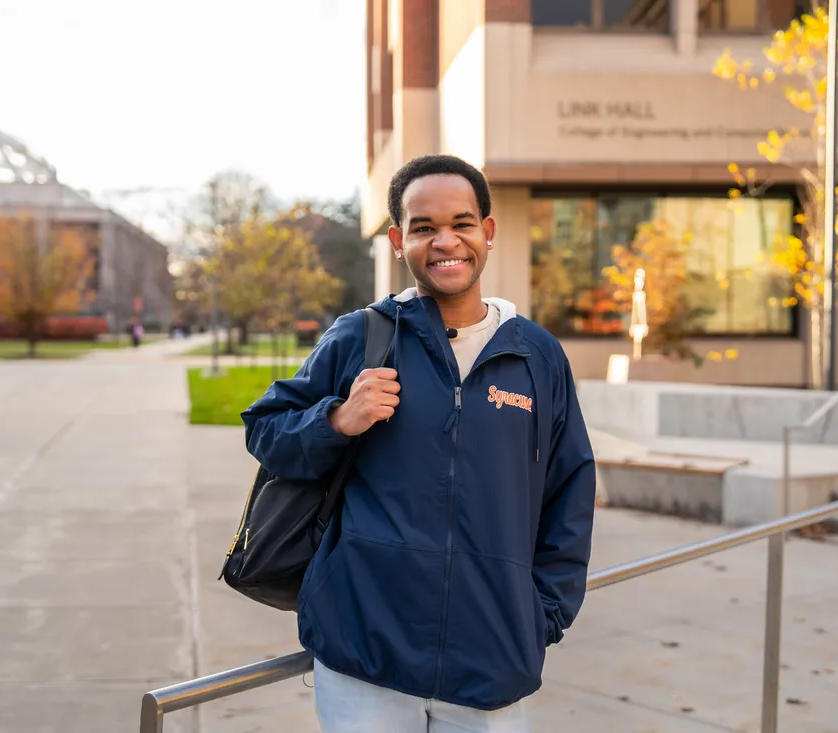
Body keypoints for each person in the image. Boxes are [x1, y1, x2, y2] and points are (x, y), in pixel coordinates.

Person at [241, 154, 596, 732]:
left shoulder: (537, 355)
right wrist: (337, 420)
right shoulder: (361, 336)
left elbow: (570, 492)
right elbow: (266, 429)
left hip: (492, 660)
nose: (445, 241)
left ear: (488, 231)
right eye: (424, 227)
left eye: (461, 222)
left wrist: (541, 615)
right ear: (398, 240)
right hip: (365, 656)